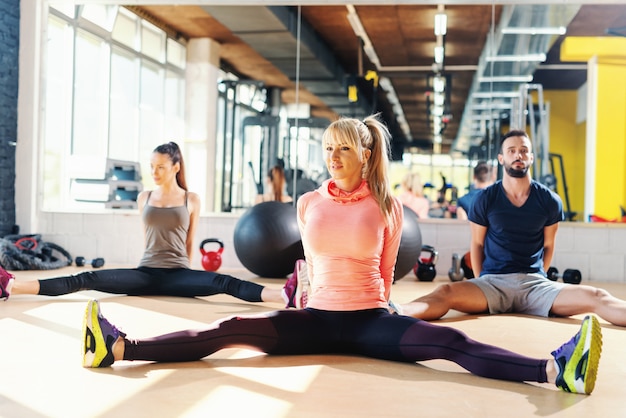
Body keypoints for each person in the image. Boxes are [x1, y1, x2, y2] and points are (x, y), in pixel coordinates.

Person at [81, 117, 602, 395]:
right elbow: (309, 263)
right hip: (314, 317)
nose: (332, 157)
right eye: (327, 148)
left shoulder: (387, 206)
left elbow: (384, 273)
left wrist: (383, 310)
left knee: (451, 341)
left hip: (370, 319)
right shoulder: (307, 202)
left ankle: (555, 372)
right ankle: (121, 349)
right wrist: (303, 293)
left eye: (343, 149)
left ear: (365, 155)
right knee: (229, 329)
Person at [0, 142, 290, 305]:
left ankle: (285, 295)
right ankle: (12, 285)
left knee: (225, 282)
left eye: (160, 167)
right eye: (152, 167)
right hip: (145, 272)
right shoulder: (144, 197)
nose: (155, 172)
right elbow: (148, 239)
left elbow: (189, 243)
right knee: (86, 279)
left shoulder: (192, 199)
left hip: (179, 274)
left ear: (176, 167)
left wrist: (186, 275)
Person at [397, 130, 626, 327]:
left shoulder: (549, 201)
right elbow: (477, 244)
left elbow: (549, 245)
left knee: (597, 296)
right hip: (493, 282)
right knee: (445, 293)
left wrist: (538, 277)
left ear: (531, 157)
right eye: (512, 150)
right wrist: (481, 282)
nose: (519, 155)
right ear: (501, 158)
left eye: (524, 150)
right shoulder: (485, 198)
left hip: (535, 284)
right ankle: (395, 312)